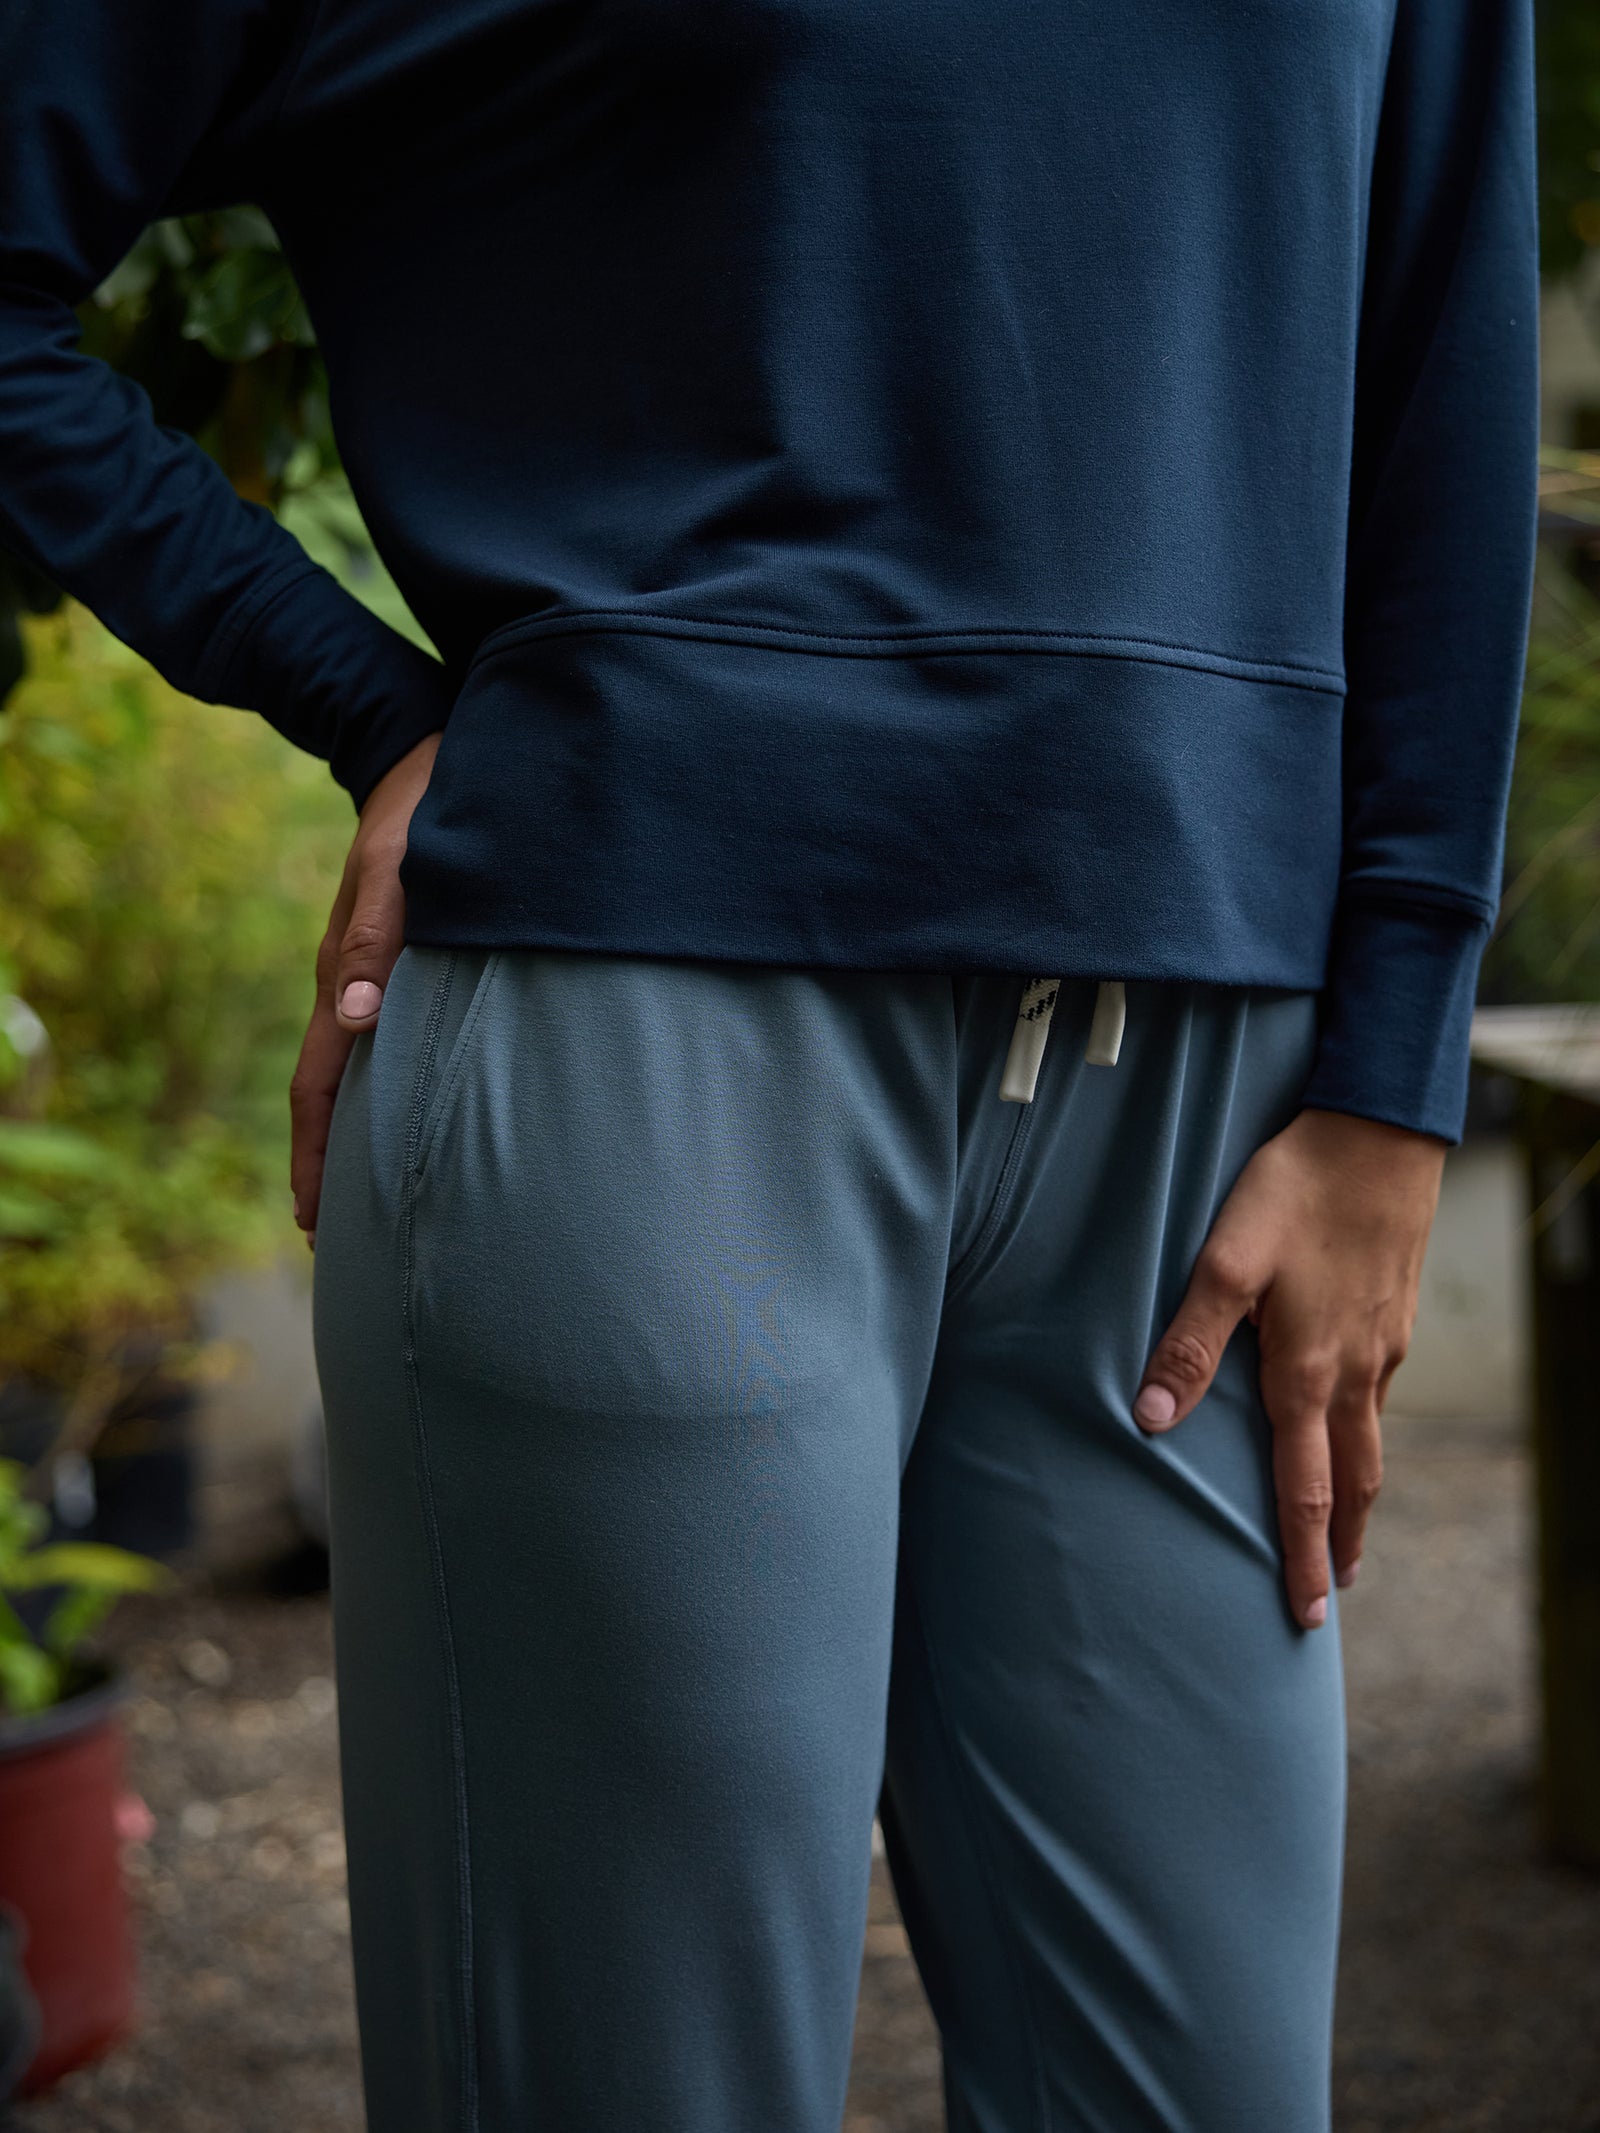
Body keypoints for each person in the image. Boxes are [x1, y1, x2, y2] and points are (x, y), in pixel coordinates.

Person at [0, 0, 1539, 2125]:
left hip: (1206, 1131)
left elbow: (1444, 331)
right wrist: (367, 702)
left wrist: (1391, 1062)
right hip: (649, 1061)